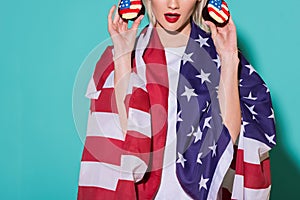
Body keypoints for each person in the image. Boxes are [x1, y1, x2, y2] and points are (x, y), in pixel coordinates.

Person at [77, 0, 276, 199]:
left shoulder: (217, 55)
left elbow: (227, 138)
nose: (173, 4)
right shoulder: (129, 54)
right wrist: (122, 53)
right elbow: (125, 138)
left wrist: (228, 56)